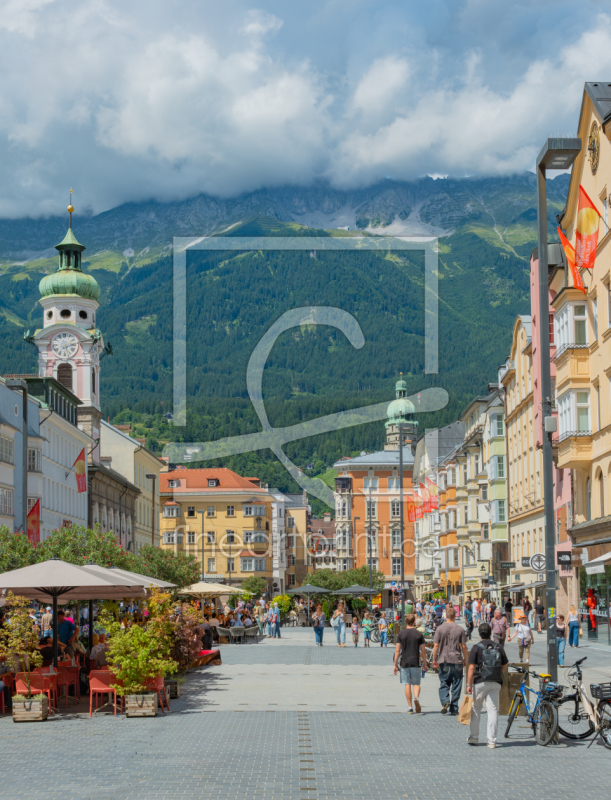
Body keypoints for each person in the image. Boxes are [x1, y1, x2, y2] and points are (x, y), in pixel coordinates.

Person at [466, 621, 509, 748]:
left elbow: (471, 668)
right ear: (491, 633)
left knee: (476, 708)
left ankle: (474, 737)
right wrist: (498, 673)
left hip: (480, 682)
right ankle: (492, 741)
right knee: (493, 710)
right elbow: (505, 664)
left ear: (479, 634)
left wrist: (468, 684)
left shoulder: (476, 647)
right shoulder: (498, 647)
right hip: (495, 682)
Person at [432, 606, 468, 715]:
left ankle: (445, 700)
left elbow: (436, 645)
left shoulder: (440, 628)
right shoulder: (460, 629)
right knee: (457, 684)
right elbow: (464, 646)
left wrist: (434, 659)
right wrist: (465, 658)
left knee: (444, 682)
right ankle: (454, 708)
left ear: (446, 616)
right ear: (455, 616)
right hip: (457, 659)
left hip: (444, 659)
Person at [393, 613, 427, 713]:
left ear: (405, 621)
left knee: (407, 684)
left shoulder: (401, 634)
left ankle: (410, 707)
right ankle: (416, 698)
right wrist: (425, 663)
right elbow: (423, 650)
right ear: (414, 622)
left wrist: (395, 664)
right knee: (416, 683)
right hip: (416, 662)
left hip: (405, 662)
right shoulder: (419, 634)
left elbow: (398, 650)